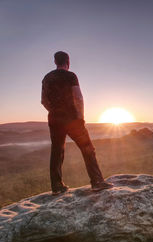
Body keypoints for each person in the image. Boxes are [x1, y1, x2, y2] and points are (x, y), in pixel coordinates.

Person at [41, 51, 113, 195]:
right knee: (88, 149)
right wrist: (80, 116)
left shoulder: (47, 78)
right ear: (68, 61)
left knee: (57, 151)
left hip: (54, 119)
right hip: (72, 118)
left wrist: (55, 111)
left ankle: (57, 186)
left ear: (55, 61)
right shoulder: (71, 76)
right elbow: (78, 97)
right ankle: (97, 182)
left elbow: (43, 101)